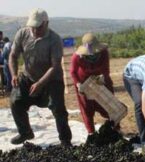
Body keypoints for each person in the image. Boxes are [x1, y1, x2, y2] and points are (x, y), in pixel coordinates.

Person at [9, 8, 72, 146]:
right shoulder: (22, 34)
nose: (35, 30)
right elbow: (13, 55)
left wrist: (40, 83)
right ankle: (25, 132)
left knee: (58, 108)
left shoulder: (54, 39)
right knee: (15, 101)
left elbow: (55, 66)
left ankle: (65, 139)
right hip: (28, 76)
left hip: (51, 79)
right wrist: (14, 74)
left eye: (38, 27)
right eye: (33, 27)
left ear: (46, 23)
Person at [70, 33, 116, 142]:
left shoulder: (103, 53)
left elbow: (106, 69)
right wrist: (78, 84)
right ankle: (91, 132)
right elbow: (73, 72)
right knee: (86, 108)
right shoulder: (77, 57)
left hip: (100, 80)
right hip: (83, 83)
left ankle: (115, 128)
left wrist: (103, 78)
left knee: (109, 105)